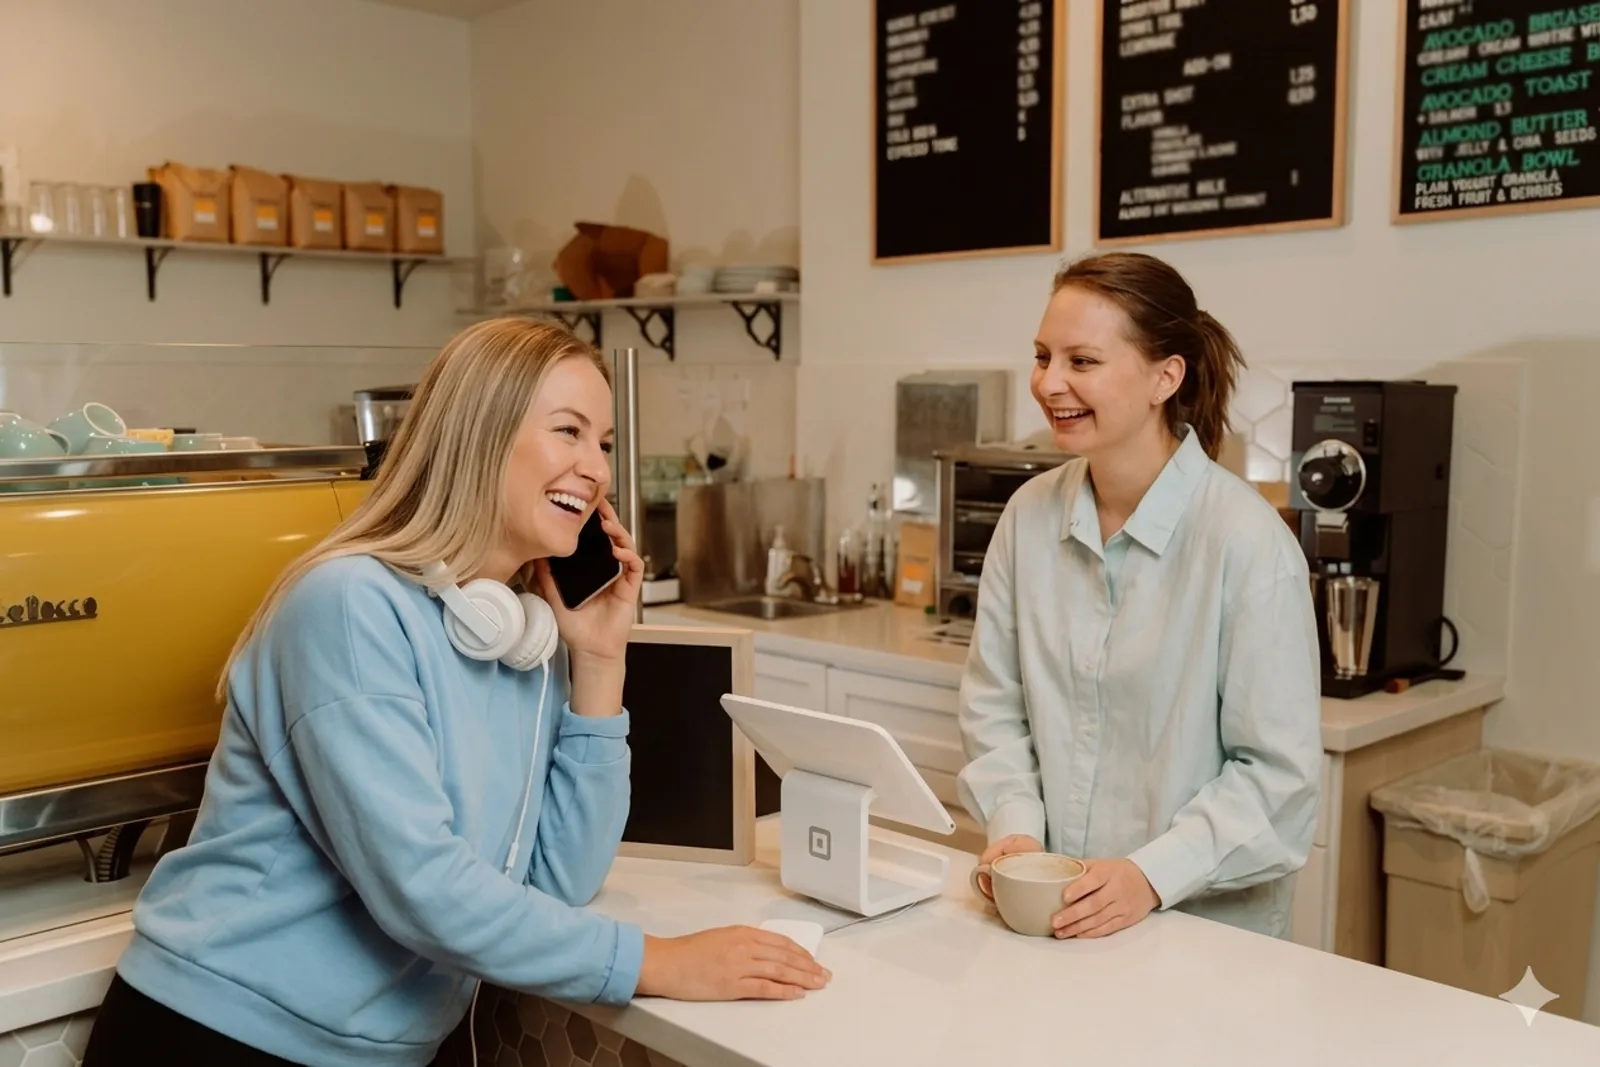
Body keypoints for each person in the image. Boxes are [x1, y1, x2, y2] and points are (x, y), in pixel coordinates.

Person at [83, 319, 828, 1067]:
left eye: (603, 443)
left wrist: (599, 661)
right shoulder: (348, 606)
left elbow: (558, 881)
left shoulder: (519, 634)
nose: (595, 468)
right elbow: (421, 889)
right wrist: (657, 960)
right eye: (568, 431)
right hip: (220, 1037)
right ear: (480, 435)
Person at [958, 252, 1323, 942]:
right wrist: (1014, 833)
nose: (1049, 382)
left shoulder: (1244, 543)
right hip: (1058, 923)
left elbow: (1278, 780)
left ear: (1166, 375)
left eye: (1082, 361)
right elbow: (994, 707)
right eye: (1042, 356)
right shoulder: (1028, 517)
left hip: (1205, 935)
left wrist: (1150, 873)